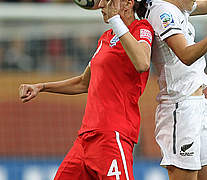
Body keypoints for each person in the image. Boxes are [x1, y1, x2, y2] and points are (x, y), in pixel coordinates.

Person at [19, 0, 154, 179]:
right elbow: (84, 82)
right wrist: (42, 87)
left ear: (128, 4)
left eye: (109, 1)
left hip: (113, 135)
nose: (101, 6)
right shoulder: (106, 37)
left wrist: (115, 19)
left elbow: (142, 63)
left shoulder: (142, 28)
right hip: (86, 137)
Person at [143, 0, 207, 179]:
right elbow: (185, 55)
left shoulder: (179, 8)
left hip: (199, 104)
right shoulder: (162, 11)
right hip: (179, 107)